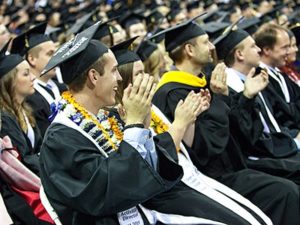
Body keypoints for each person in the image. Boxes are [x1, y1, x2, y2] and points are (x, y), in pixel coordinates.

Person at [40, 22, 240, 225]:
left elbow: (144, 170)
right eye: (114, 71)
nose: (119, 78)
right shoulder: (62, 138)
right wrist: (134, 124)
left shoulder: (102, 116)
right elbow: (109, 189)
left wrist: (142, 123)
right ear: (93, 76)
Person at [152, 16, 300, 224]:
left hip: (237, 165)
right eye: (205, 42)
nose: (212, 46)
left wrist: (246, 97)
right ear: (189, 50)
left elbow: (240, 132)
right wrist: (220, 99)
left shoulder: (206, 81)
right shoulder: (172, 93)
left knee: (291, 178)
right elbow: (205, 149)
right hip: (213, 178)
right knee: (286, 193)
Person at [112, 38, 273, 225]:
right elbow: (171, 154)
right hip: (174, 188)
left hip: (195, 175)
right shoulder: (130, 113)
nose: (148, 77)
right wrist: (182, 122)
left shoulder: (152, 107)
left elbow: (187, 146)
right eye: (140, 73)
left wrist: (192, 116)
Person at [214, 26, 300, 185]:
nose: (258, 49)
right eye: (253, 46)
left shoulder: (252, 79)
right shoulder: (231, 88)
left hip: (274, 144)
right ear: (239, 54)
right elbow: (249, 136)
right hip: (258, 156)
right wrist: (247, 97)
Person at [11, 22, 66, 137]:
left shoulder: (61, 87)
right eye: (50, 54)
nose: (56, 57)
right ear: (31, 59)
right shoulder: (29, 98)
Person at [0, 39, 41, 174]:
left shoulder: (25, 109)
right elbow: (23, 160)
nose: (33, 77)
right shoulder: (4, 119)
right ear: (9, 82)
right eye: (26, 74)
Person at [254, 23, 300, 138]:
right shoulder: (260, 79)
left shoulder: (279, 75)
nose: (288, 52)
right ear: (267, 50)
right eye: (285, 47)